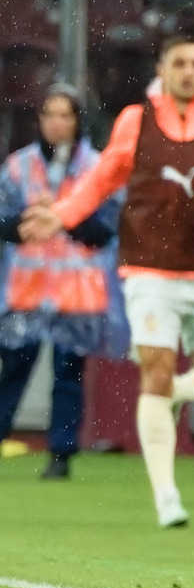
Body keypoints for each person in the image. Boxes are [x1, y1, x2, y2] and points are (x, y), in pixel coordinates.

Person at [20, 36, 194, 526]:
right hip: (148, 269)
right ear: (162, 67)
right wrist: (61, 215)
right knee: (156, 368)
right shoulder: (135, 121)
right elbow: (101, 180)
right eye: (179, 62)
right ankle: (166, 496)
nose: (188, 71)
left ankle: (179, 397)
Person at [0, 85, 121, 479]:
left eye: (65, 115)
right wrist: (26, 225)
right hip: (28, 288)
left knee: (68, 375)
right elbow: (3, 222)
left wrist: (67, 218)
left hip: (75, 290)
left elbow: (108, 228)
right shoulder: (19, 166)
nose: (56, 123)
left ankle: (61, 454)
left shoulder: (97, 168)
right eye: (49, 114)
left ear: (78, 120)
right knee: (13, 370)